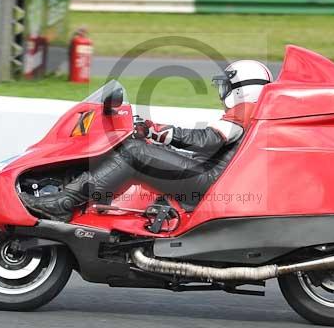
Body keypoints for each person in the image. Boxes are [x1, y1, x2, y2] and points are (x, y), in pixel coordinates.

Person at [20, 60, 273, 222]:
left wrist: (158, 131)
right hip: (213, 177)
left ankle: (64, 203)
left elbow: (207, 140)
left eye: (227, 86)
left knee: (135, 152)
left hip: (210, 183)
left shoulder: (247, 109)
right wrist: (158, 138)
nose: (223, 92)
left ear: (242, 87)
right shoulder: (252, 111)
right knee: (149, 150)